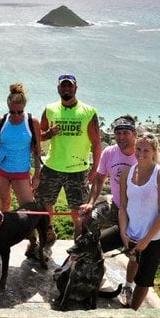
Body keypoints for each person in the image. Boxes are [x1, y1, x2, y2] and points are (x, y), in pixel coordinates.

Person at [80, 115, 160, 306]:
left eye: (126, 133)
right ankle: (91, 276)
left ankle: (129, 288)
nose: (140, 153)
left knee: (139, 264)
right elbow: (104, 185)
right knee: (91, 236)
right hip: (123, 212)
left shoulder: (157, 167)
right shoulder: (119, 162)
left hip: (147, 223)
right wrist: (91, 203)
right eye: (118, 133)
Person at [35, 74, 101, 239]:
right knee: (44, 205)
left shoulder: (89, 112)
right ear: (58, 89)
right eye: (63, 86)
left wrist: (95, 170)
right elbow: (39, 136)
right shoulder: (50, 109)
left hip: (78, 170)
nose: (66, 89)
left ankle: (78, 240)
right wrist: (49, 133)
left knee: (78, 210)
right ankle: (48, 232)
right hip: (52, 167)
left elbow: (96, 143)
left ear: (76, 88)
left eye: (69, 86)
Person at [0, 83, 42, 211]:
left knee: (28, 208)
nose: (16, 115)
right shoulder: (1, 121)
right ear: (8, 107)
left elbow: (37, 149)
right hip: (0, 169)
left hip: (21, 171)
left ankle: (28, 232)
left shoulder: (32, 122)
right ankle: (4, 231)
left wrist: (37, 174)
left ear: (24, 108)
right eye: (12, 112)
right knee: (5, 203)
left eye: (19, 112)